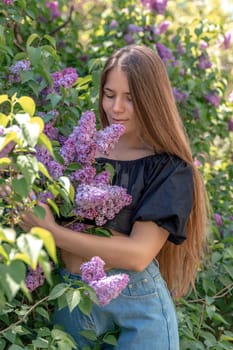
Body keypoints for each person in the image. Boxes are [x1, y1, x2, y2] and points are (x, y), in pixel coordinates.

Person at [21, 45, 209, 350]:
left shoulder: (169, 169)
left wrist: (52, 231)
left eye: (130, 99)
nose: (116, 108)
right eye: (109, 95)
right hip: (73, 299)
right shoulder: (78, 153)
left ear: (151, 101)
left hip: (138, 312)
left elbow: (137, 255)